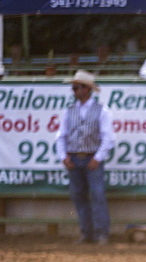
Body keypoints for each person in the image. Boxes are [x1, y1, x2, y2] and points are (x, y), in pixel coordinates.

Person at [54, 70, 115, 244]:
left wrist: (98, 157)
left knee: (96, 196)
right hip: (75, 158)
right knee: (80, 196)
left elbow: (108, 137)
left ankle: (100, 233)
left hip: (91, 158)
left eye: (77, 87)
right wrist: (63, 156)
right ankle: (87, 233)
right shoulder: (70, 110)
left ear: (87, 89)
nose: (74, 91)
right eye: (74, 88)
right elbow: (61, 136)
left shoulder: (101, 110)